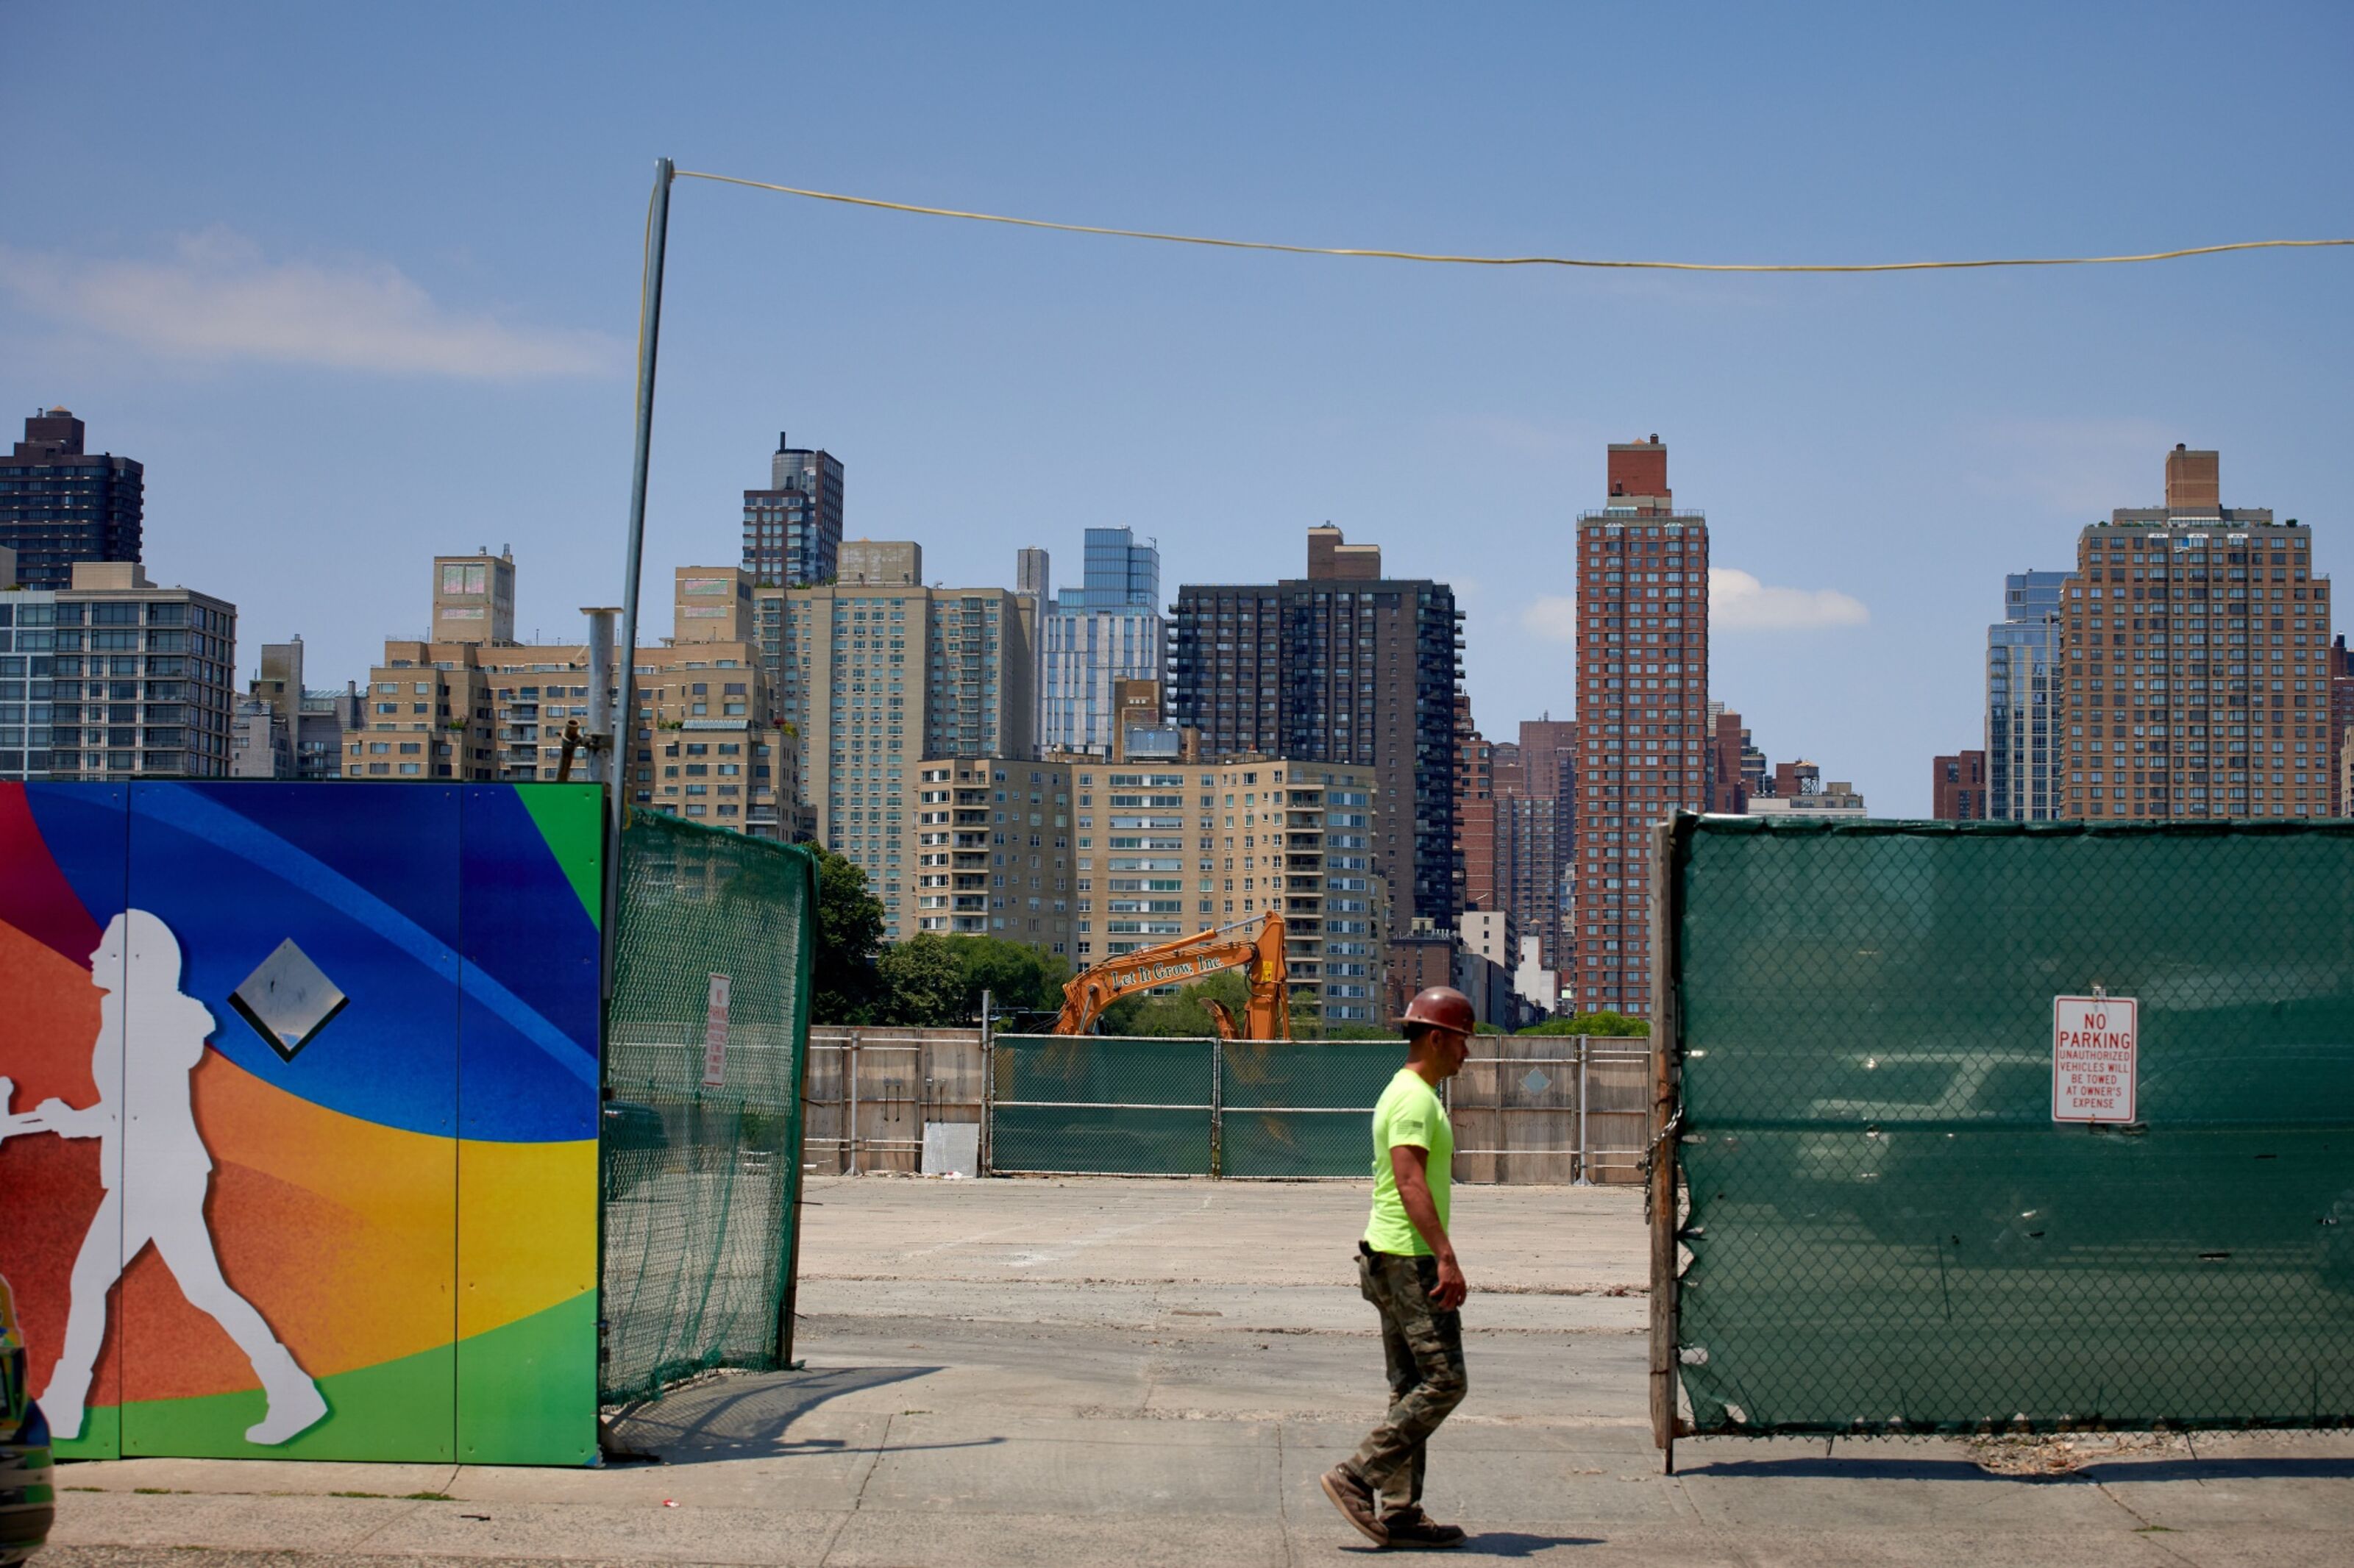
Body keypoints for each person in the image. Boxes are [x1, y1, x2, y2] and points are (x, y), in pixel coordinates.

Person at [27, 910, 327, 1447]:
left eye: (109, 952)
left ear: (138, 963)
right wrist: (70, 1119)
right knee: (203, 1289)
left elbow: (131, 1107)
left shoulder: (153, 1020)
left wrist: (71, 1121)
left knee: (95, 1281)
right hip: (159, 1168)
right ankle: (291, 1389)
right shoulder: (134, 1016)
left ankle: (66, 1404)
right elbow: (127, 1105)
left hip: (154, 1171)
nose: (95, 958)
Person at [1320, 986, 1476, 1550]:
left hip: (1388, 1254)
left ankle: (1402, 1512)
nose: (1467, 1054)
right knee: (1445, 1381)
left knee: (1410, 1384)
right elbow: (1410, 1183)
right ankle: (1356, 1477)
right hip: (1408, 1259)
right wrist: (1446, 1257)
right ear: (1437, 1038)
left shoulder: (1408, 1092)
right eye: (1463, 1042)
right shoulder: (1413, 1099)